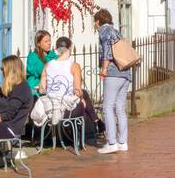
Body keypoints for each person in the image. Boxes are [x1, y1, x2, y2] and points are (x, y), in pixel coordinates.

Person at [36, 35, 101, 139]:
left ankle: (95, 124)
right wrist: (81, 99)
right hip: (67, 111)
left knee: (83, 97)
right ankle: (83, 134)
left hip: (50, 109)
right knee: (82, 101)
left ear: (56, 49)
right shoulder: (74, 66)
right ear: (70, 48)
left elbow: (42, 89)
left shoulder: (47, 65)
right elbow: (77, 91)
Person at [95, 9, 131, 154]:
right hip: (125, 72)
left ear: (98, 21)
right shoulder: (116, 31)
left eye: (95, 22)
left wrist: (104, 69)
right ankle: (123, 142)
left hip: (113, 73)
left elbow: (107, 52)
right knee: (120, 108)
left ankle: (112, 143)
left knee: (107, 107)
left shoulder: (104, 31)